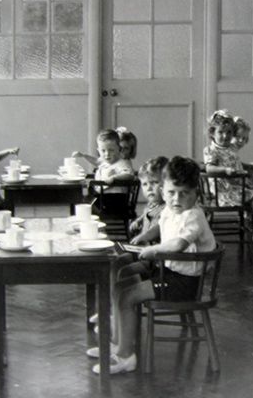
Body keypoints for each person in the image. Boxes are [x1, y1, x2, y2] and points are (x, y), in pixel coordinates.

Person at [89, 156, 216, 374]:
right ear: (163, 190)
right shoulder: (171, 209)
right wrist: (145, 236)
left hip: (184, 284)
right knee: (121, 286)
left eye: (184, 193)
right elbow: (161, 226)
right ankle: (119, 344)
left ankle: (126, 357)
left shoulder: (193, 216)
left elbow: (178, 243)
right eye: (170, 192)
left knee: (128, 295)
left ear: (196, 193)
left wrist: (153, 250)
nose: (176, 199)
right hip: (168, 272)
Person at [73, 129, 135, 216]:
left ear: (119, 149)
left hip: (116, 200)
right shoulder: (105, 161)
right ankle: (87, 219)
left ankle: (92, 219)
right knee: (79, 198)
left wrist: (114, 178)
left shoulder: (122, 163)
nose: (107, 154)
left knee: (85, 203)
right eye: (103, 151)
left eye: (111, 150)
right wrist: (84, 155)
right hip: (103, 198)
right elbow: (96, 161)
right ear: (98, 150)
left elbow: (129, 175)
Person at [203, 109, 253, 206]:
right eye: (220, 132)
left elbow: (234, 163)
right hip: (223, 190)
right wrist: (225, 170)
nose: (225, 136)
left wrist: (251, 166)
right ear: (212, 133)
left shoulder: (231, 148)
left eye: (229, 132)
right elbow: (209, 168)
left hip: (236, 184)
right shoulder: (211, 150)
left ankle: (251, 215)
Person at [128, 156, 168, 242]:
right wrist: (139, 221)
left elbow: (160, 227)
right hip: (146, 245)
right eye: (145, 184)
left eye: (154, 182)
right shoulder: (151, 204)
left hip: (158, 249)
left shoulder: (167, 208)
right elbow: (146, 214)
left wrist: (145, 236)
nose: (149, 188)